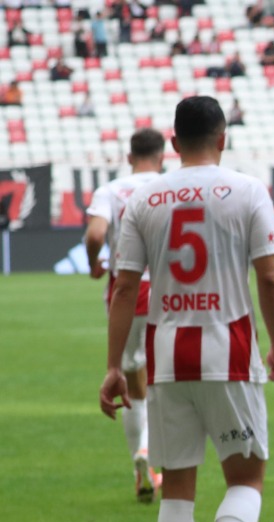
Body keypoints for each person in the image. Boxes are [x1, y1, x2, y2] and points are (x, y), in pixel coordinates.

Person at [98, 95, 274, 522]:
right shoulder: (248, 190)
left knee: (178, 487)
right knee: (247, 477)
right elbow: (271, 279)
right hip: (228, 352)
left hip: (164, 358)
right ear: (223, 138)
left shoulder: (144, 197)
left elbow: (126, 287)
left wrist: (114, 366)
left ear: (174, 143)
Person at [85, 128, 167, 502]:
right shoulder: (172, 186)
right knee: (166, 377)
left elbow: (95, 234)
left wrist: (93, 265)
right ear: (162, 156)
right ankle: (156, 455)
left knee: (133, 378)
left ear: (129, 156)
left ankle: (142, 457)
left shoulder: (112, 190)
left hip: (127, 290)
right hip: (170, 290)